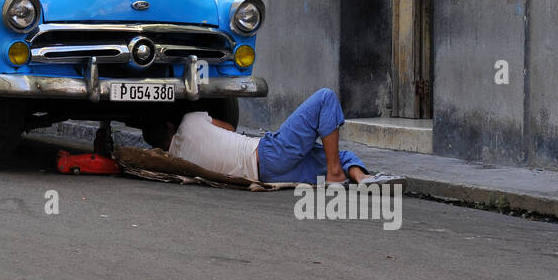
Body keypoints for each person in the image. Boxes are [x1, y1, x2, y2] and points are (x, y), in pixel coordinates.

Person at [148, 88, 399, 185]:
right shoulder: (191, 120)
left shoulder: (176, 161)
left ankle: (362, 177)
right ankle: (336, 173)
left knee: (331, 154)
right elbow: (229, 128)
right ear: (171, 125)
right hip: (268, 153)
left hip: (266, 176)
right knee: (325, 98)